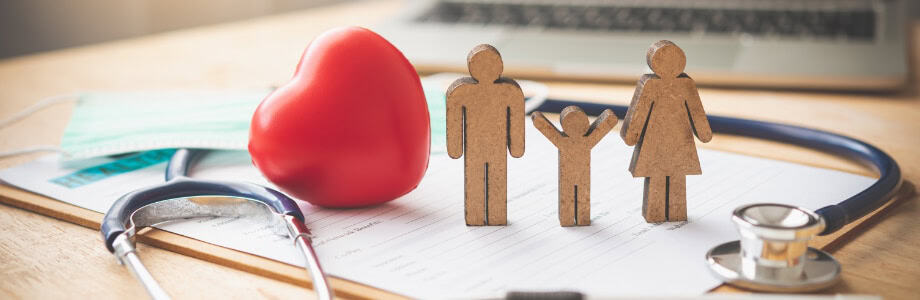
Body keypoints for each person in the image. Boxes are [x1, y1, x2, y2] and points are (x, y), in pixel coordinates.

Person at [620, 40, 713, 223]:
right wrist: (631, 134)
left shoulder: (686, 84)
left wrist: (704, 133)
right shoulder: (650, 85)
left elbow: (697, 112)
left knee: (676, 177)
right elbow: (639, 111)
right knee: (658, 177)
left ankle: (674, 213)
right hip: (657, 143)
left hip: (679, 142)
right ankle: (655, 213)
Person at [446, 44, 525, 226]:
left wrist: (516, 147)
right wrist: (455, 148)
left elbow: (516, 120)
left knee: (495, 179)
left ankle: (494, 216)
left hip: (495, 147)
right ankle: (476, 216)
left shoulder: (509, 92)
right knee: (475, 180)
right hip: (475, 148)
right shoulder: (462, 92)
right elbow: (455, 119)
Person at [532, 106, 617, 226]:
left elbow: (545, 127)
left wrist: (538, 120)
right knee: (571, 196)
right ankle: (570, 219)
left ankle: (576, 219)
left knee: (579, 196)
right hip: (573, 175)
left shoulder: (576, 141)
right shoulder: (581, 141)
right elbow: (606, 124)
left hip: (579, 175)